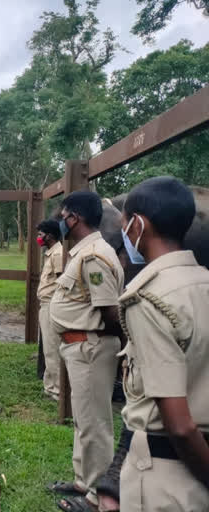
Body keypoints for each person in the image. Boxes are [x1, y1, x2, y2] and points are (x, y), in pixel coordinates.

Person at [114, 177, 209, 511]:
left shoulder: (149, 299)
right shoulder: (202, 282)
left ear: (138, 224)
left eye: (124, 224)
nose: (123, 233)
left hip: (166, 474)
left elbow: (180, 426)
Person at [48, 191, 124, 512]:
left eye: (62, 216)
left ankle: (97, 496)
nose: (59, 222)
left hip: (90, 346)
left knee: (95, 424)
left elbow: (109, 312)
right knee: (83, 418)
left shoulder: (94, 256)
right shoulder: (83, 252)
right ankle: (83, 479)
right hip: (79, 345)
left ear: (74, 218)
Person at [36, 219, 65, 401]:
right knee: (48, 347)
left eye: (40, 235)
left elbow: (62, 283)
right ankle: (49, 385)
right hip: (45, 305)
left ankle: (57, 390)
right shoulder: (50, 253)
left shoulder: (58, 254)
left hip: (52, 306)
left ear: (50, 235)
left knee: (53, 347)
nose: (38, 238)